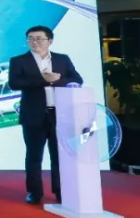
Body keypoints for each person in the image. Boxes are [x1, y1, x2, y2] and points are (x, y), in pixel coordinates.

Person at [8, 25, 83, 205]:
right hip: (33, 114)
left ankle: (60, 190)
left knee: (59, 155)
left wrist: (56, 81)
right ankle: (34, 191)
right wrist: (43, 80)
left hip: (60, 114)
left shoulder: (62, 59)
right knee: (34, 155)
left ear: (50, 41)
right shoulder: (19, 60)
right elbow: (14, 83)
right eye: (30, 39)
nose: (34, 42)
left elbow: (77, 79)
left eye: (39, 38)